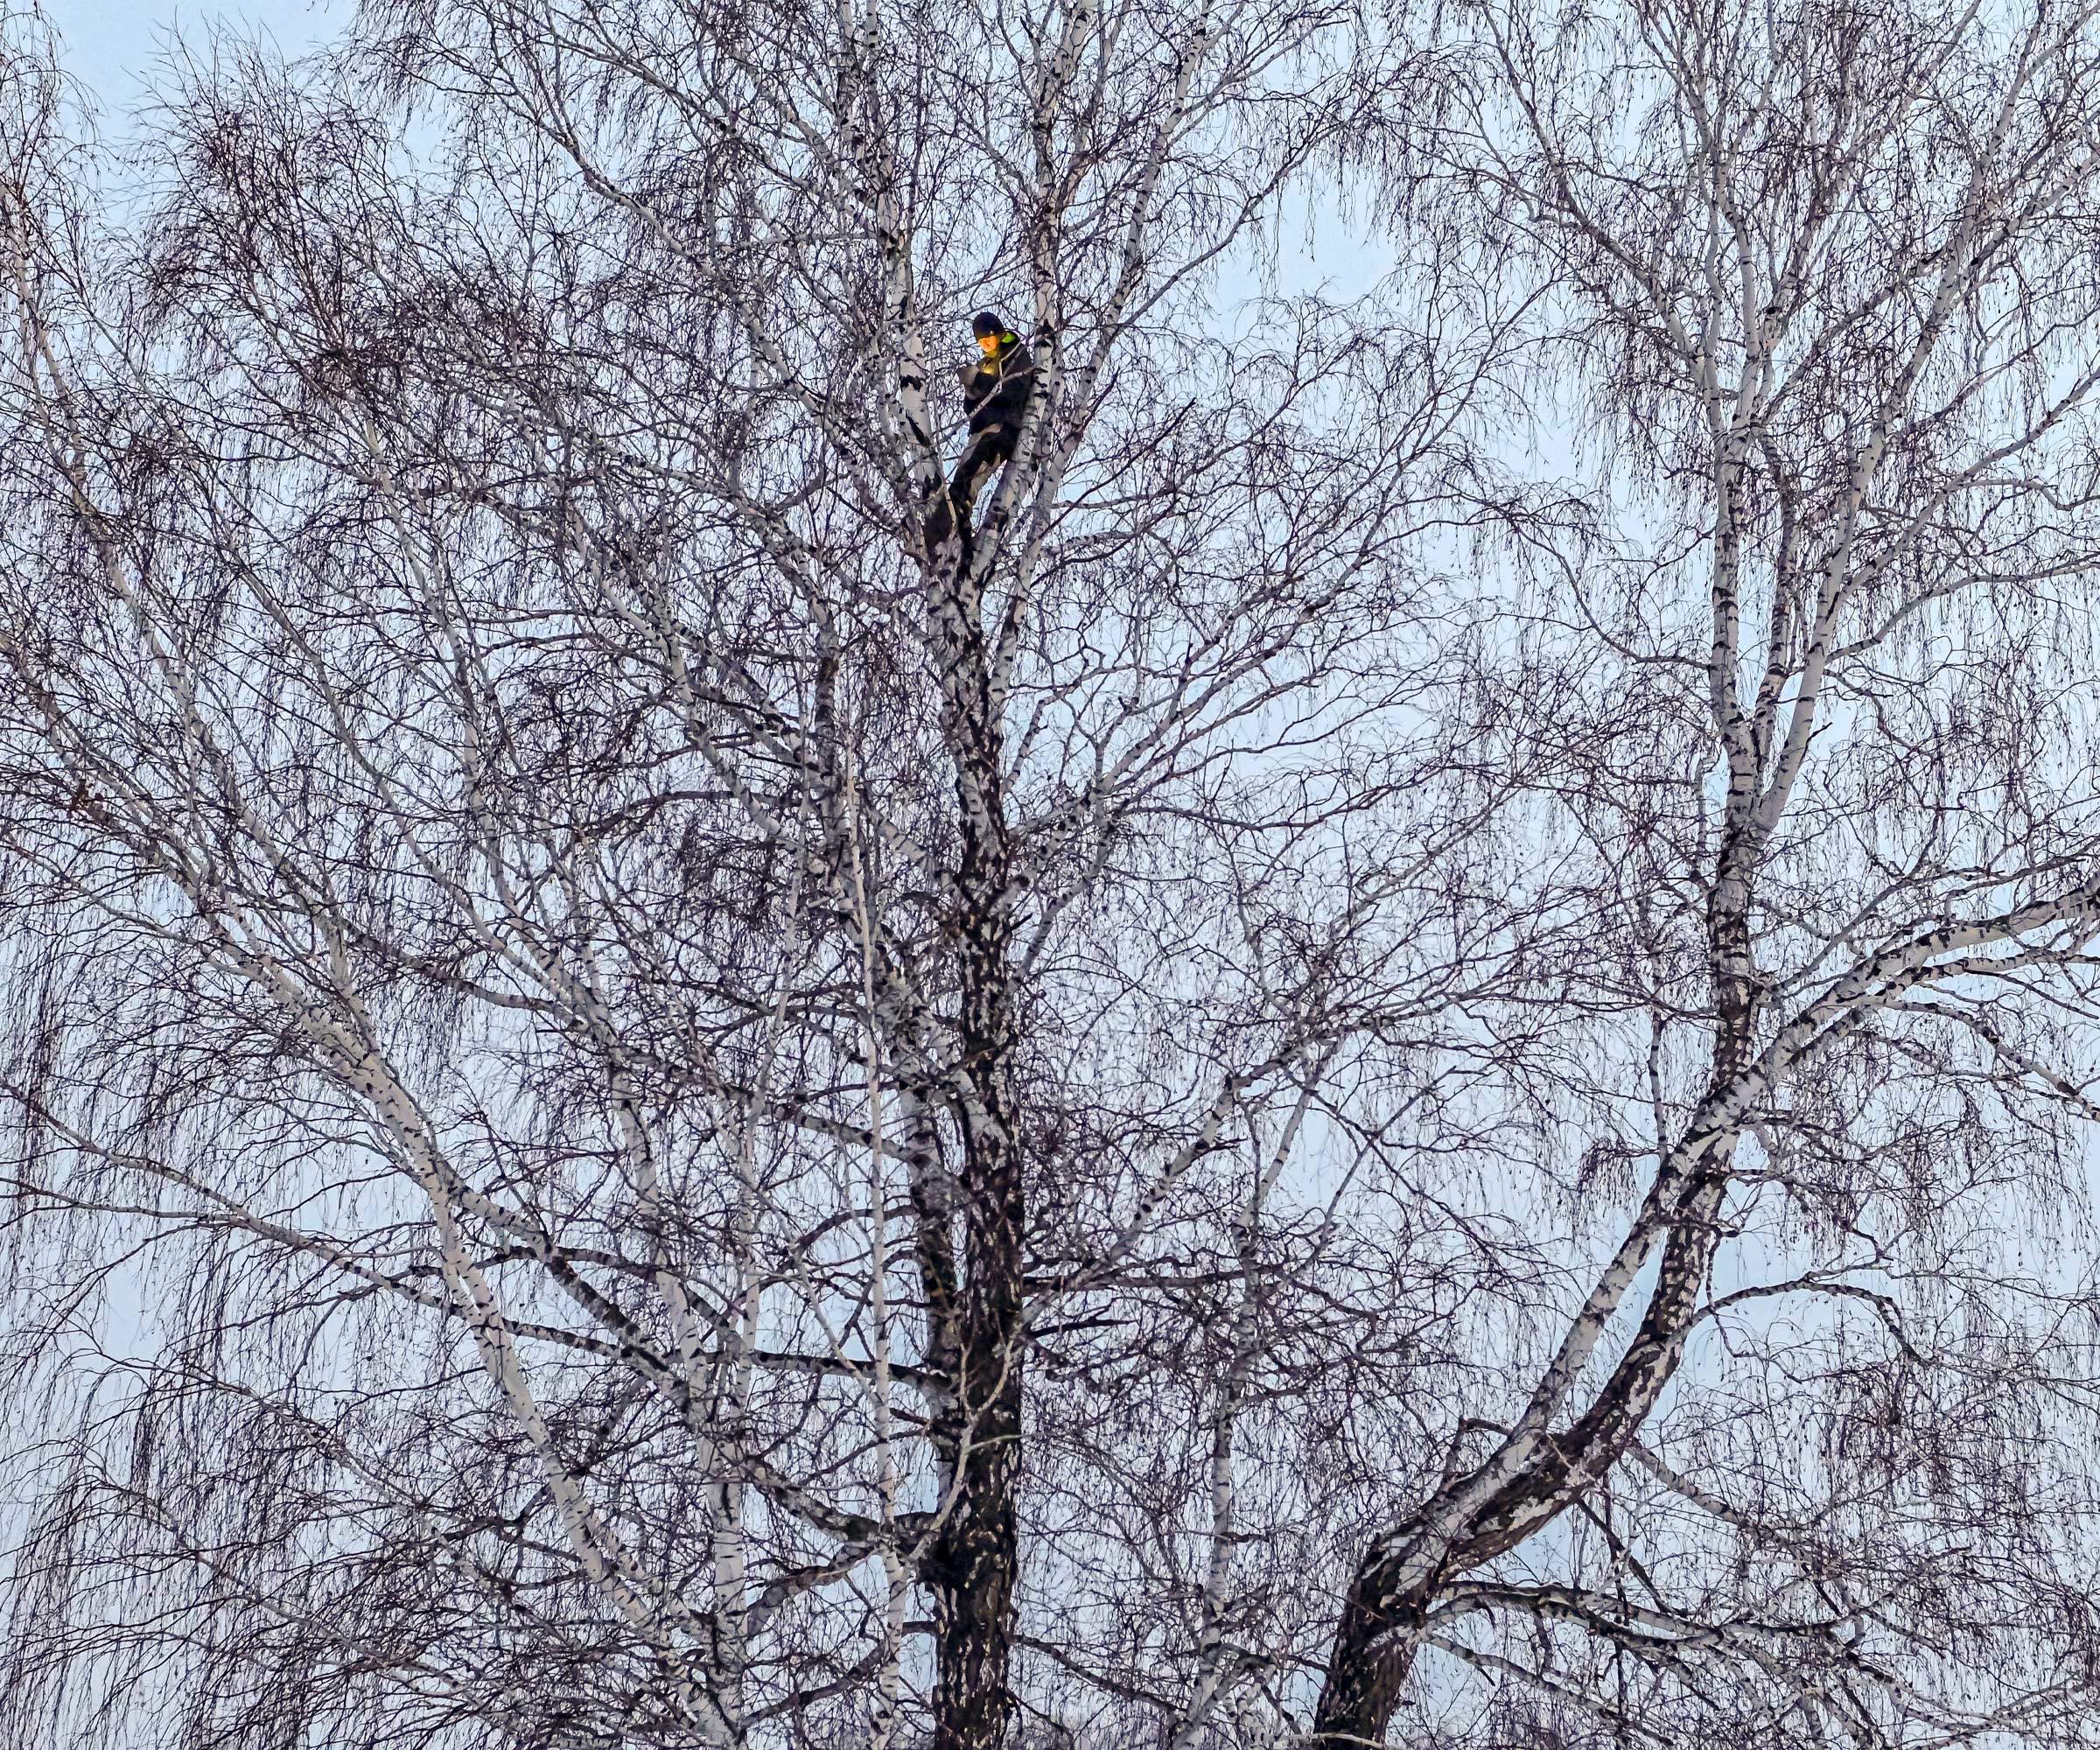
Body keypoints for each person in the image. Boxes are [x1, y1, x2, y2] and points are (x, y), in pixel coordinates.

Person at [925, 312, 1035, 559]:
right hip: (982, 428)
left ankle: (949, 522)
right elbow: (971, 407)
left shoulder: (1015, 354)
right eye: (981, 343)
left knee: (972, 471)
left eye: (987, 340)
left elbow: (1012, 392)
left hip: (1001, 428)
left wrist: (979, 381)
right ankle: (954, 523)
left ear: (997, 334)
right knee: (966, 470)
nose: (985, 346)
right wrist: (972, 389)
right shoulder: (987, 362)